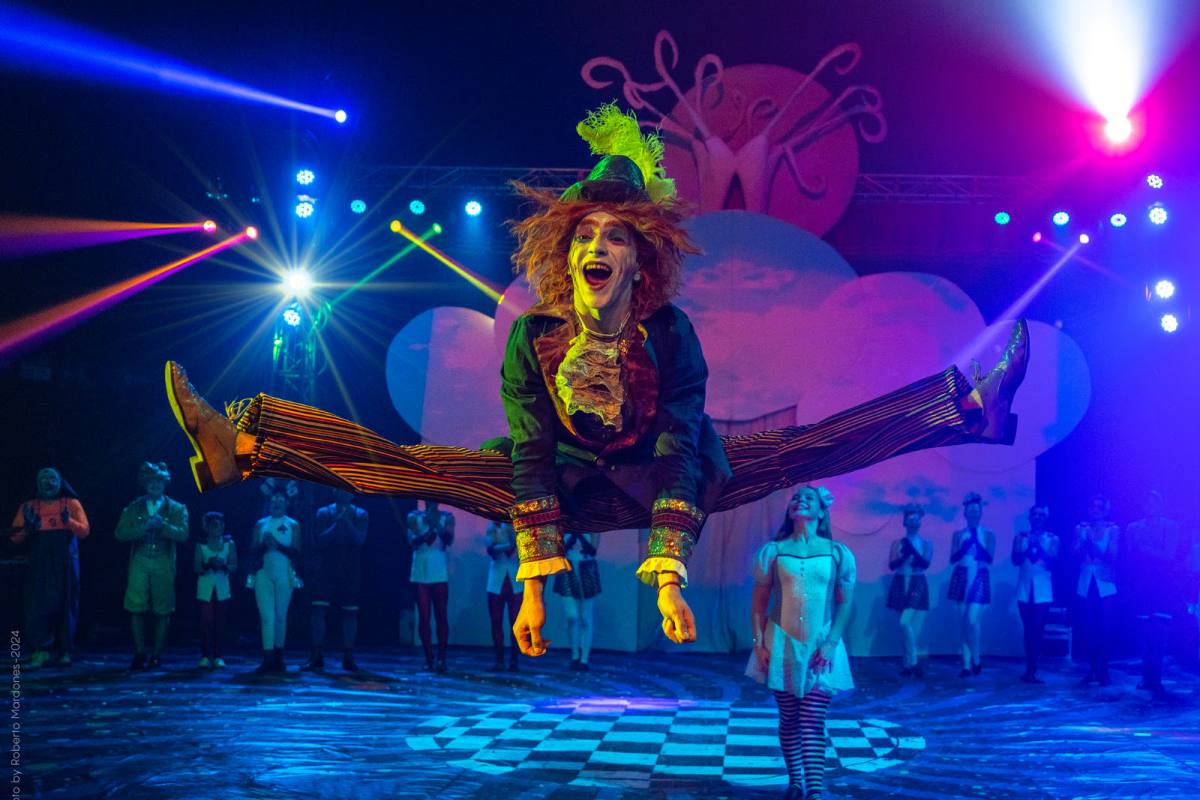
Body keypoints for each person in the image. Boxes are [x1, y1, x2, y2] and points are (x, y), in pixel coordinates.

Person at [165, 104, 1029, 658]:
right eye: (586, 235)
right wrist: (533, 591)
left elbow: (682, 443)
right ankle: (246, 442)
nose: (597, 246)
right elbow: (531, 453)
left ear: (640, 259)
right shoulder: (533, 339)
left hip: (667, 481)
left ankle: (967, 408)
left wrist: (670, 571)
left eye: (616, 236)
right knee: (412, 464)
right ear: (567, 253)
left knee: (807, 448)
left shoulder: (670, 334)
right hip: (563, 486)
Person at [747, 485, 855, 800]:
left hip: (822, 644)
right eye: (796, 497)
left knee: (813, 718)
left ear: (821, 511)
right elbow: (759, 604)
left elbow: (845, 602)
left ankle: (815, 791)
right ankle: (796, 782)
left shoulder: (837, 552)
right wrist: (759, 644)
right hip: (781, 643)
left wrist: (831, 642)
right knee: (790, 718)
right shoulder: (774, 551)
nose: (800, 500)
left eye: (809, 497)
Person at [9, 468, 90, 668]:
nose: (48, 482)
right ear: (38, 484)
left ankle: (64, 650)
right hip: (40, 562)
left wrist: (68, 521)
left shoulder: (71, 504)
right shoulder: (28, 506)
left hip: (66, 562)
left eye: (52, 478)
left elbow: (84, 532)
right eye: (44, 478)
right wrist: (28, 528)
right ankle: (41, 650)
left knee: (66, 603)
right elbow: (15, 538)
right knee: (38, 605)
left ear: (60, 482)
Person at [116, 462, 189, 670]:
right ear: (145, 483)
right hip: (140, 559)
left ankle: (156, 654)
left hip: (163, 559)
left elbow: (183, 535)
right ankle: (139, 653)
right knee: (136, 606)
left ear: (165, 483)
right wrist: (143, 528)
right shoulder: (134, 507)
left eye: (158, 481)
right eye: (151, 481)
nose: (155, 485)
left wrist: (164, 526)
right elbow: (120, 533)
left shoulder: (177, 508)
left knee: (163, 609)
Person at [302, 490, 368, 673]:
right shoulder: (324, 512)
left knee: (350, 612)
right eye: (340, 488)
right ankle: (316, 655)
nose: (344, 493)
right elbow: (320, 541)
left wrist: (346, 522)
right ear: (334, 491)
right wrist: (337, 522)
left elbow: (360, 540)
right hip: (326, 566)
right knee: (318, 610)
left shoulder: (361, 514)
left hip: (351, 567)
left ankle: (348, 657)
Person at [1124, 490, 1179, 693]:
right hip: (1141, 583)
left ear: (1161, 505)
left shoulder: (1171, 526)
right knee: (1144, 629)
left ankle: (1157, 677)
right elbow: (1130, 553)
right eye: (1147, 501)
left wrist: (1145, 549)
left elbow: (1168, 555)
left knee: (1160, 629)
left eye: (1154, 502)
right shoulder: (1133, 527)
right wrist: (1143, 549)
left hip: (1162, 584)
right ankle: (1146, 676)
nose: (1150, 505)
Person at [248, 488, 302, 674]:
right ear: (269, 503)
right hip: (264, 573)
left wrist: (277, 545)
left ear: (287, 503)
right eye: (274, 500)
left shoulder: (292, 524)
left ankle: (279, 656)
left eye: (280, 500)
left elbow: (297, 552)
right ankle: (267, 657)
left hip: (284, 574)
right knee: (266, 617)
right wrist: (265, 545)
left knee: (281, 616)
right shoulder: (261, 524)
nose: (277, 503)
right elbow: (253, 551)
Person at [1073, 494, 1119, 686]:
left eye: (1100, 507)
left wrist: (1091, 546)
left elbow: (1112, 555)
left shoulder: (1112, 529)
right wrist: (1082, 542)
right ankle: (1091, 669)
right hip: (1086, 582)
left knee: (1105, 628)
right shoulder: (1081, 528)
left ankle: (1104, 670)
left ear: (1106, 510)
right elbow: (1075, 552)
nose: (1096, 510)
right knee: (1089, 627)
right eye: (1093, 506)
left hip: (1105, 583)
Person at [948, 492, 995, 678]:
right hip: (962, 575)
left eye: (977, 511)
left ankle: (976, 657)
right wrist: (964, 547)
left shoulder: (989, 534)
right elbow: (952, 559)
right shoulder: (958, 534)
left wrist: (975, 540)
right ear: (965, 513)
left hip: (980, 575)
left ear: (981, 513)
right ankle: (967, 665)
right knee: (964, 622)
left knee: (972, 620)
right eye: (971, 511)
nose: (974, 514)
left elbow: (990, 558)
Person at [1012, 505, 1058, 683]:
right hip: (1024, 588)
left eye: (1041, 515)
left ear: (1046, 518)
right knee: (1028, 629)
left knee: (1037, 629)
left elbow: (1053, 562)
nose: (1038, 517)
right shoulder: (1020, 537)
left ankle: (1034, 667)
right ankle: (1029, 669)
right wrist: (1027, 547)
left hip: (1043, 590)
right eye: (1035, 514)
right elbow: (1015, 560)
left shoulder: (1052, 538)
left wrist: (1037, 544)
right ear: (1030, 517)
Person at [887, 502, 932, 678]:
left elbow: (925, 564)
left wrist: (910, 551)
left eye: (916, 519)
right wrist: (905, 554)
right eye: (910, 519)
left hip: (917, 582)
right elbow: (892, 565)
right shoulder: (896, 543)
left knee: (904, 622)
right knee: (904, 626)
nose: (913, 523)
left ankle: (912, 661)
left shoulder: (926, 543)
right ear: (904, 522)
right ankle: (908, 663)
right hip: (900, 581)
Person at [408, 500, 453, 672]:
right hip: (420, 571)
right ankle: (428, 658)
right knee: (424, 617)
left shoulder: (447, 517)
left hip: (439, 571)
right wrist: (428, 529)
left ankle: (442, 658)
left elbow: (449, 540)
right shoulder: (414, 516)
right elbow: (412, 542)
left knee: (441, 615)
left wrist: (436, 524)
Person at [194, 511, 237, 669]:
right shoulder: (201, 544)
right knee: (206, 621)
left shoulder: (229, 543)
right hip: (205, 588)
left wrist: (223, 565)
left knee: (220, 622)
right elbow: (196, 567)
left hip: (222, 587)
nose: (217, 528)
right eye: (213, 525)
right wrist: (209, 564)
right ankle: (206, 655)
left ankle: (218, 655)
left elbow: (234, 566)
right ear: (207, 527)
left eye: (220, 525)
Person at [554, 531, 601, 671]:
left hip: (587, 569)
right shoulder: (563, 525)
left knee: (586, 618)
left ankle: (584, 659)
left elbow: (593, 550)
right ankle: (574, 655)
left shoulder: (593, 526)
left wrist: (578, 534)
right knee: (572, 617)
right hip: (567, 569)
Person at [484, 520, 522, 671]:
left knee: (515, 623)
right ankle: (499, 660)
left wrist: (510, 539)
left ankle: (514, 660)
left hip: (515, 579)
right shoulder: (492, 525)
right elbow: (491, 550)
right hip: (496, 579)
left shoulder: (519, 526)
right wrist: (508, 544)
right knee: (496, 621)